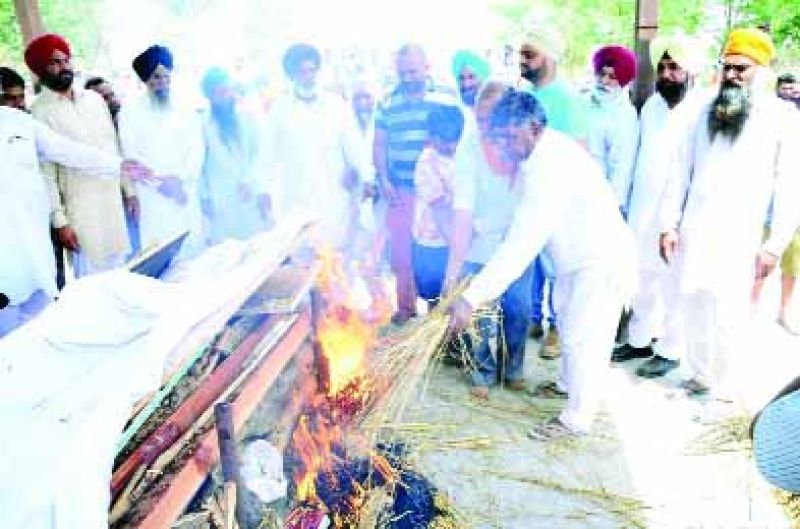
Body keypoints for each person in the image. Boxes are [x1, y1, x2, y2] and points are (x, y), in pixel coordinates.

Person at [448, 89, 635, 439]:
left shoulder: (549, 166)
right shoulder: (538, 155)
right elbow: (514, 217)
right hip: (575, 261)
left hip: (598, 260)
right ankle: (568, 385)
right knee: (569, 324)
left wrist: (472, 298)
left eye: (509, 136)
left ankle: (576, 419)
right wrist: (475, 234)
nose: (503, 144)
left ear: (533, 127)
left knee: (584, 338)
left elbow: (520, 245)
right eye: (499, 135)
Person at [658, 28, 800, 398]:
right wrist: (668, 224)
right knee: (692, 301)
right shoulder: (702, 108)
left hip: (741, 234)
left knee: (727, 312)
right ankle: (699, 376)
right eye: (728, 67)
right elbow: (679, 168)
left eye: (743, 69)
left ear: (763, 72)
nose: (733, 76)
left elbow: (791, 186)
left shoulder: (782, 117)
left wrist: (775, 245)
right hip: (694, 227)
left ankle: (723, 389)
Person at [0, 104, 152, 337]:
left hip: (36, 257)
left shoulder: (17, 121)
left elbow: (68, 150)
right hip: (4, 266)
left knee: (42, 335)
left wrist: (117, 165)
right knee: (8, 344)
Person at [614, 35, 705, 378]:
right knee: (642, 276)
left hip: (677, 213)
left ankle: (669, 349)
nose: (666, 74)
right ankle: (639, 340)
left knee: (673, 282)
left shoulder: (701, 110)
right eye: (662, 67)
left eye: (674, 68)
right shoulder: (652, 106)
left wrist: (675, 220)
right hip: (643, 207)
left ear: (690, 71)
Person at [444, 81, 535, 399]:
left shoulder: (525, 143)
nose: (484, 127)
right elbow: (463, 210)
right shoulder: (469, 148)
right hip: (480, 243)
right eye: (479, 119)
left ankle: (513, 369)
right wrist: (453, 270)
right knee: (479, 314)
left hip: (519, 241)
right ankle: (481, 370)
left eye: (490, 119)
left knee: (519, 308)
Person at [26, 33, 135, 278]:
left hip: (112, 203)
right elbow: (46, 175)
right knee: (94, 284)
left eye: (66, 60)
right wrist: (60, 221)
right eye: (54, 62)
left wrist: (129, 191)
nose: (64, 67)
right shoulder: (37, 113)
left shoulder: (95, 100)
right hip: (80, 211)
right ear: (40, 69)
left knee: (123, 275)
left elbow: (113, 146)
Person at [259, 43, 374, 251]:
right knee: (303, 258)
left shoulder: (336, 105)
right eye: (302, 72)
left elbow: (354, 146)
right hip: (297, 197)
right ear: (291, 75)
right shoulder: (279, 111)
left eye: (312, 70)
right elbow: (266, 155)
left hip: (333, 194)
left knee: (336, 258)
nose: (308, 76)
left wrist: (366, 177)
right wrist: (264, 190)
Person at [518, 25, 589, 355]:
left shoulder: (568, 99)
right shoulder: (526, 97)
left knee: (558, 264)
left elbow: (579, 151)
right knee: (530, 260)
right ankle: (533, 318)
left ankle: (558, 329)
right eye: (521, 54)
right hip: (528, 190)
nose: (522, 61)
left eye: (529, 55)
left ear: (549, 58)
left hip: (559, 197)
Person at [373, 44, 457, 324]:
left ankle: (444, 309)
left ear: (426, 67)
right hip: (402, 190)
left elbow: (460, 137)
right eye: (402, 72)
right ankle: (406, 307)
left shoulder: (445, 96)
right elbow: (380, 143)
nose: (407, 77)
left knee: (439, 250)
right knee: (400, 253)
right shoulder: (387, 101)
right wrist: (383, 179)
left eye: (413, 71)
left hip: (440, 190)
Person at [118, 44, 205, 258]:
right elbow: (131, 155)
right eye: (156, 78)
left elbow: (197, 148)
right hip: (153, 196)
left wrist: (182, 180)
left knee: (193, 250)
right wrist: (161, 183)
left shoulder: (185, 107)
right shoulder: (130, 112)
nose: (163, 83)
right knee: (162, 254)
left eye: (167, 77)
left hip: (185, 191)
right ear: (145, 79)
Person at [750, 73, 800, 334]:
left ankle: (784, 312)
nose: (790, 93)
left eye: (794, 89)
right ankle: (750, 309)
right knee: (758, 261)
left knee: (792, 265)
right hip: (769, 206)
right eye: (786, 88)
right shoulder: (771, 119)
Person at [198, 67, 268, 244]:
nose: (227, 96)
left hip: (250, 193)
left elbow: (260, 155)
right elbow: (199, 166)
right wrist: (204, 197)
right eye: (220, 92)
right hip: (221, 197)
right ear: (210, 97)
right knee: (228, 253)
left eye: (228, 90)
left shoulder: (248, 118)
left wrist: (252, 182)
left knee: (258, 247)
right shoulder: (202, 126)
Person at [412, 105, 464, 307]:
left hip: (460, 239)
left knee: (458, 298)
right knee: (438, 299)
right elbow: (440, 211)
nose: (451, 146)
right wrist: (459, 249)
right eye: (444, 140)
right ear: (431, 136)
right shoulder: (427, 163)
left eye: (454, 139)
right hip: (434, 242)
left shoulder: (463, 155)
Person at [585, 45, 639, 214]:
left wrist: (611, 210)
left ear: (623, 80)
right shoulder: (585, 101)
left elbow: (622, 168)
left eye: (612, 77)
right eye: (602, 74)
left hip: (603, 203)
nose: (604, 81)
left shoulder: (625, 115)